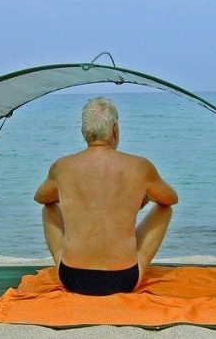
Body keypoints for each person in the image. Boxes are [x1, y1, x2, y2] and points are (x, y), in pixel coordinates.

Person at [34, 97, 178, 295]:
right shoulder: (140, 166)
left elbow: (41, 198)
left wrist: (73, 197)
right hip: (124, 279)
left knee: (48, 208)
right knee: (165, 210)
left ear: (83, 132)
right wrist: (141, 198)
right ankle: (137, 260)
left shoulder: (62, 166)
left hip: (72, 278)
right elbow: (170, 199)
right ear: (115, 130)